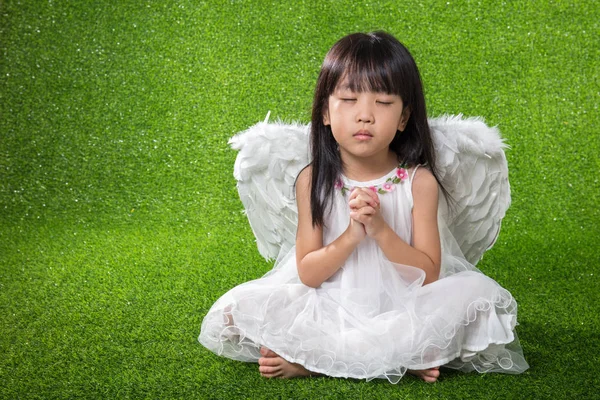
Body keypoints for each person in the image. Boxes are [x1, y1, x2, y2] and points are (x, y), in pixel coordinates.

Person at [199, 31, 528, 383]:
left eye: (384, 103)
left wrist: (381, 230)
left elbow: (428, 274)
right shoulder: (313, 181)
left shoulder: (419, 183)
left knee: (479, 295)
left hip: (404, 306)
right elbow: (309, 274)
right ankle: (402, 356)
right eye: (349, 99)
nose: (365, 116)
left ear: (404, 117)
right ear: (325, 111)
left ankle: (328, 359)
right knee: (238, 309)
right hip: (330, 303)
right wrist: (353, 234)